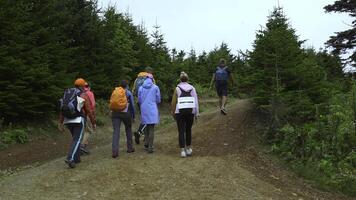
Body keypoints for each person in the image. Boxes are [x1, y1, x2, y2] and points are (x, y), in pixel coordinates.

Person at [59, 78, 96, 168]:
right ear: (82, 86)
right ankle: (70, 158)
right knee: (77, 139)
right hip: (78, 120)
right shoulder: (82, 94)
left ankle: (76, 158)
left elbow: (62, 108)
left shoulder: (68, 93)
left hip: (67, 120)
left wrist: (61, 121)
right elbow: (88, 110)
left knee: (75, 139)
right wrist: (93, 122)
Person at [171, 72, 199, 158]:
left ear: (180, 79)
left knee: (181, 131)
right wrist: (196, 113)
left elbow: (173, 102)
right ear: (187, 79)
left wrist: (173, 112)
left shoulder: (177, 88)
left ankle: (182, 151)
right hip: (190, 112)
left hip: (180, 112)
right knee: (188, 130)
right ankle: (188, 149)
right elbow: (196, 101)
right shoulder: (192, 88)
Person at [110, 80, 135, 158]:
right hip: (126, 113)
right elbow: (132, 106)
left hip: (115, 113)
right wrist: (133, 115)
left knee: (116, 131)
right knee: (128, 129)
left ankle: (115, 151)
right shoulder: (128, 93)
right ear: (127, 86)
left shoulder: (115, 91)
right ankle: (130, 148)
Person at [132, 67, 155, 145]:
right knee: (148, 119)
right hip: (148, 103)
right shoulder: (151, 79)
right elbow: (154, 90)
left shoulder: (137, 79)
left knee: (144, 118)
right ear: (150, 72)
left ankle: (145, 137)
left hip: (139, 101)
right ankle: (139, 133)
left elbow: (133, 91)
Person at [138, 75, 161, 153]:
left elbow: (139, 100)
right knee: (151, 128)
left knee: (146, 126)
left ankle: (146, 143)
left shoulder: (141, 88)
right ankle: (150, 147)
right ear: (152, 79)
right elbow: (158, 99)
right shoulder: (155, 87)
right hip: (152, 108)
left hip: (144, 109)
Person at [80, 82, 96, 155]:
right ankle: (82, 146)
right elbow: (92, 105)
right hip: (87, 114)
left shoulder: (80, 93)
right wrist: (93, 117)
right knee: (88, 131)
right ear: (89, 87)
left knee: (84, 131)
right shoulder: (90, 93)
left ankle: (83, 148)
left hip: (79, 115)